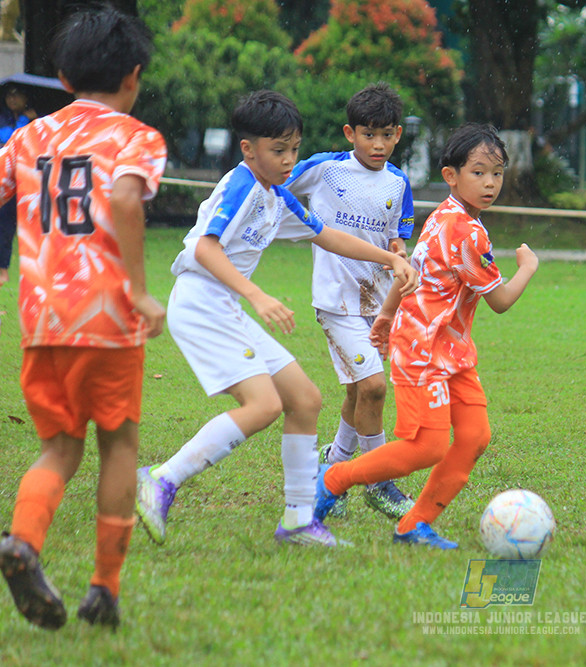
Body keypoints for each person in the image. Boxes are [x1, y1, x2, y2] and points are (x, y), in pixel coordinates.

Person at [135, 90, 418, 549]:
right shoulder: (243, 184)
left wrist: (392, 262)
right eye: (278, 150)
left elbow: (329, 236)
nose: (289, 160)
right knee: (263, 405)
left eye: (294, 149)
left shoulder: (277, 197)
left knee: (304, 400)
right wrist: (257, 294)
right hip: (200, 303)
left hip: (225, 306)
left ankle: (298, 521)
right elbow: (204, 248)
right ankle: (161, 480)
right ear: (249, 149)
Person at [0, 7, 166, 629]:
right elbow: (124, 197)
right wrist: (142, 292)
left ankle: (24, 541)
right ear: (134, 76)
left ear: (63, 77)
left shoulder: (27, 137)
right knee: (118, 443)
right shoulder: (137, 137)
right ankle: (105, 586)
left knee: (57, 450)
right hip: (108, 320)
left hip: (42, 321)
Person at [314, 123, 539, 549]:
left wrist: (384, 314)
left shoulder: (445, 215)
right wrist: (527, 266)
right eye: (478, 172)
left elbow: (411, 273)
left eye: (497, 173)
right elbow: (501, 300)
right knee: (427, 447)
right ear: (451, 176)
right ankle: (334, 478)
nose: (490, 183)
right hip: (423, 351)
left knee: (474, 437)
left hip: (453, 352)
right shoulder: (466, 231)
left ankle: (413, 524)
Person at [284, 82, 415, 520]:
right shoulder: (324, 169)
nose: (377, 144)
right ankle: (378, 480)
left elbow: (397, 238)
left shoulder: (399, 183)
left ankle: (334, 469)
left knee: (360, 388)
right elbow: (275, 182)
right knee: (375, 387)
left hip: (377, 304)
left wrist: (400, 258)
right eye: (367, 134)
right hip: (335, 302)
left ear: (398, 135)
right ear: (349, 133)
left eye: (386, 135)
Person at [0, 86, 36, 288]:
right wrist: (24, 122)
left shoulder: (39, 119)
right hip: (6, 179)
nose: (12, 99)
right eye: (9, 95)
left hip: (29, 180)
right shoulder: (4, 118)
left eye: (16, 94)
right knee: (3, 224)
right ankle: (2, 268)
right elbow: (9, 140)